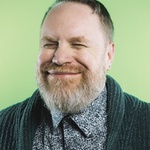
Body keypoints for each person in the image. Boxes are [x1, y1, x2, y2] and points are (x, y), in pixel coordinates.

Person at [0, 0, 150, 149]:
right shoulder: (3, 125)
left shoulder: (146, 123)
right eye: (50, 43)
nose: (59, 58)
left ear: (108, 55)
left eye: (78, 44)